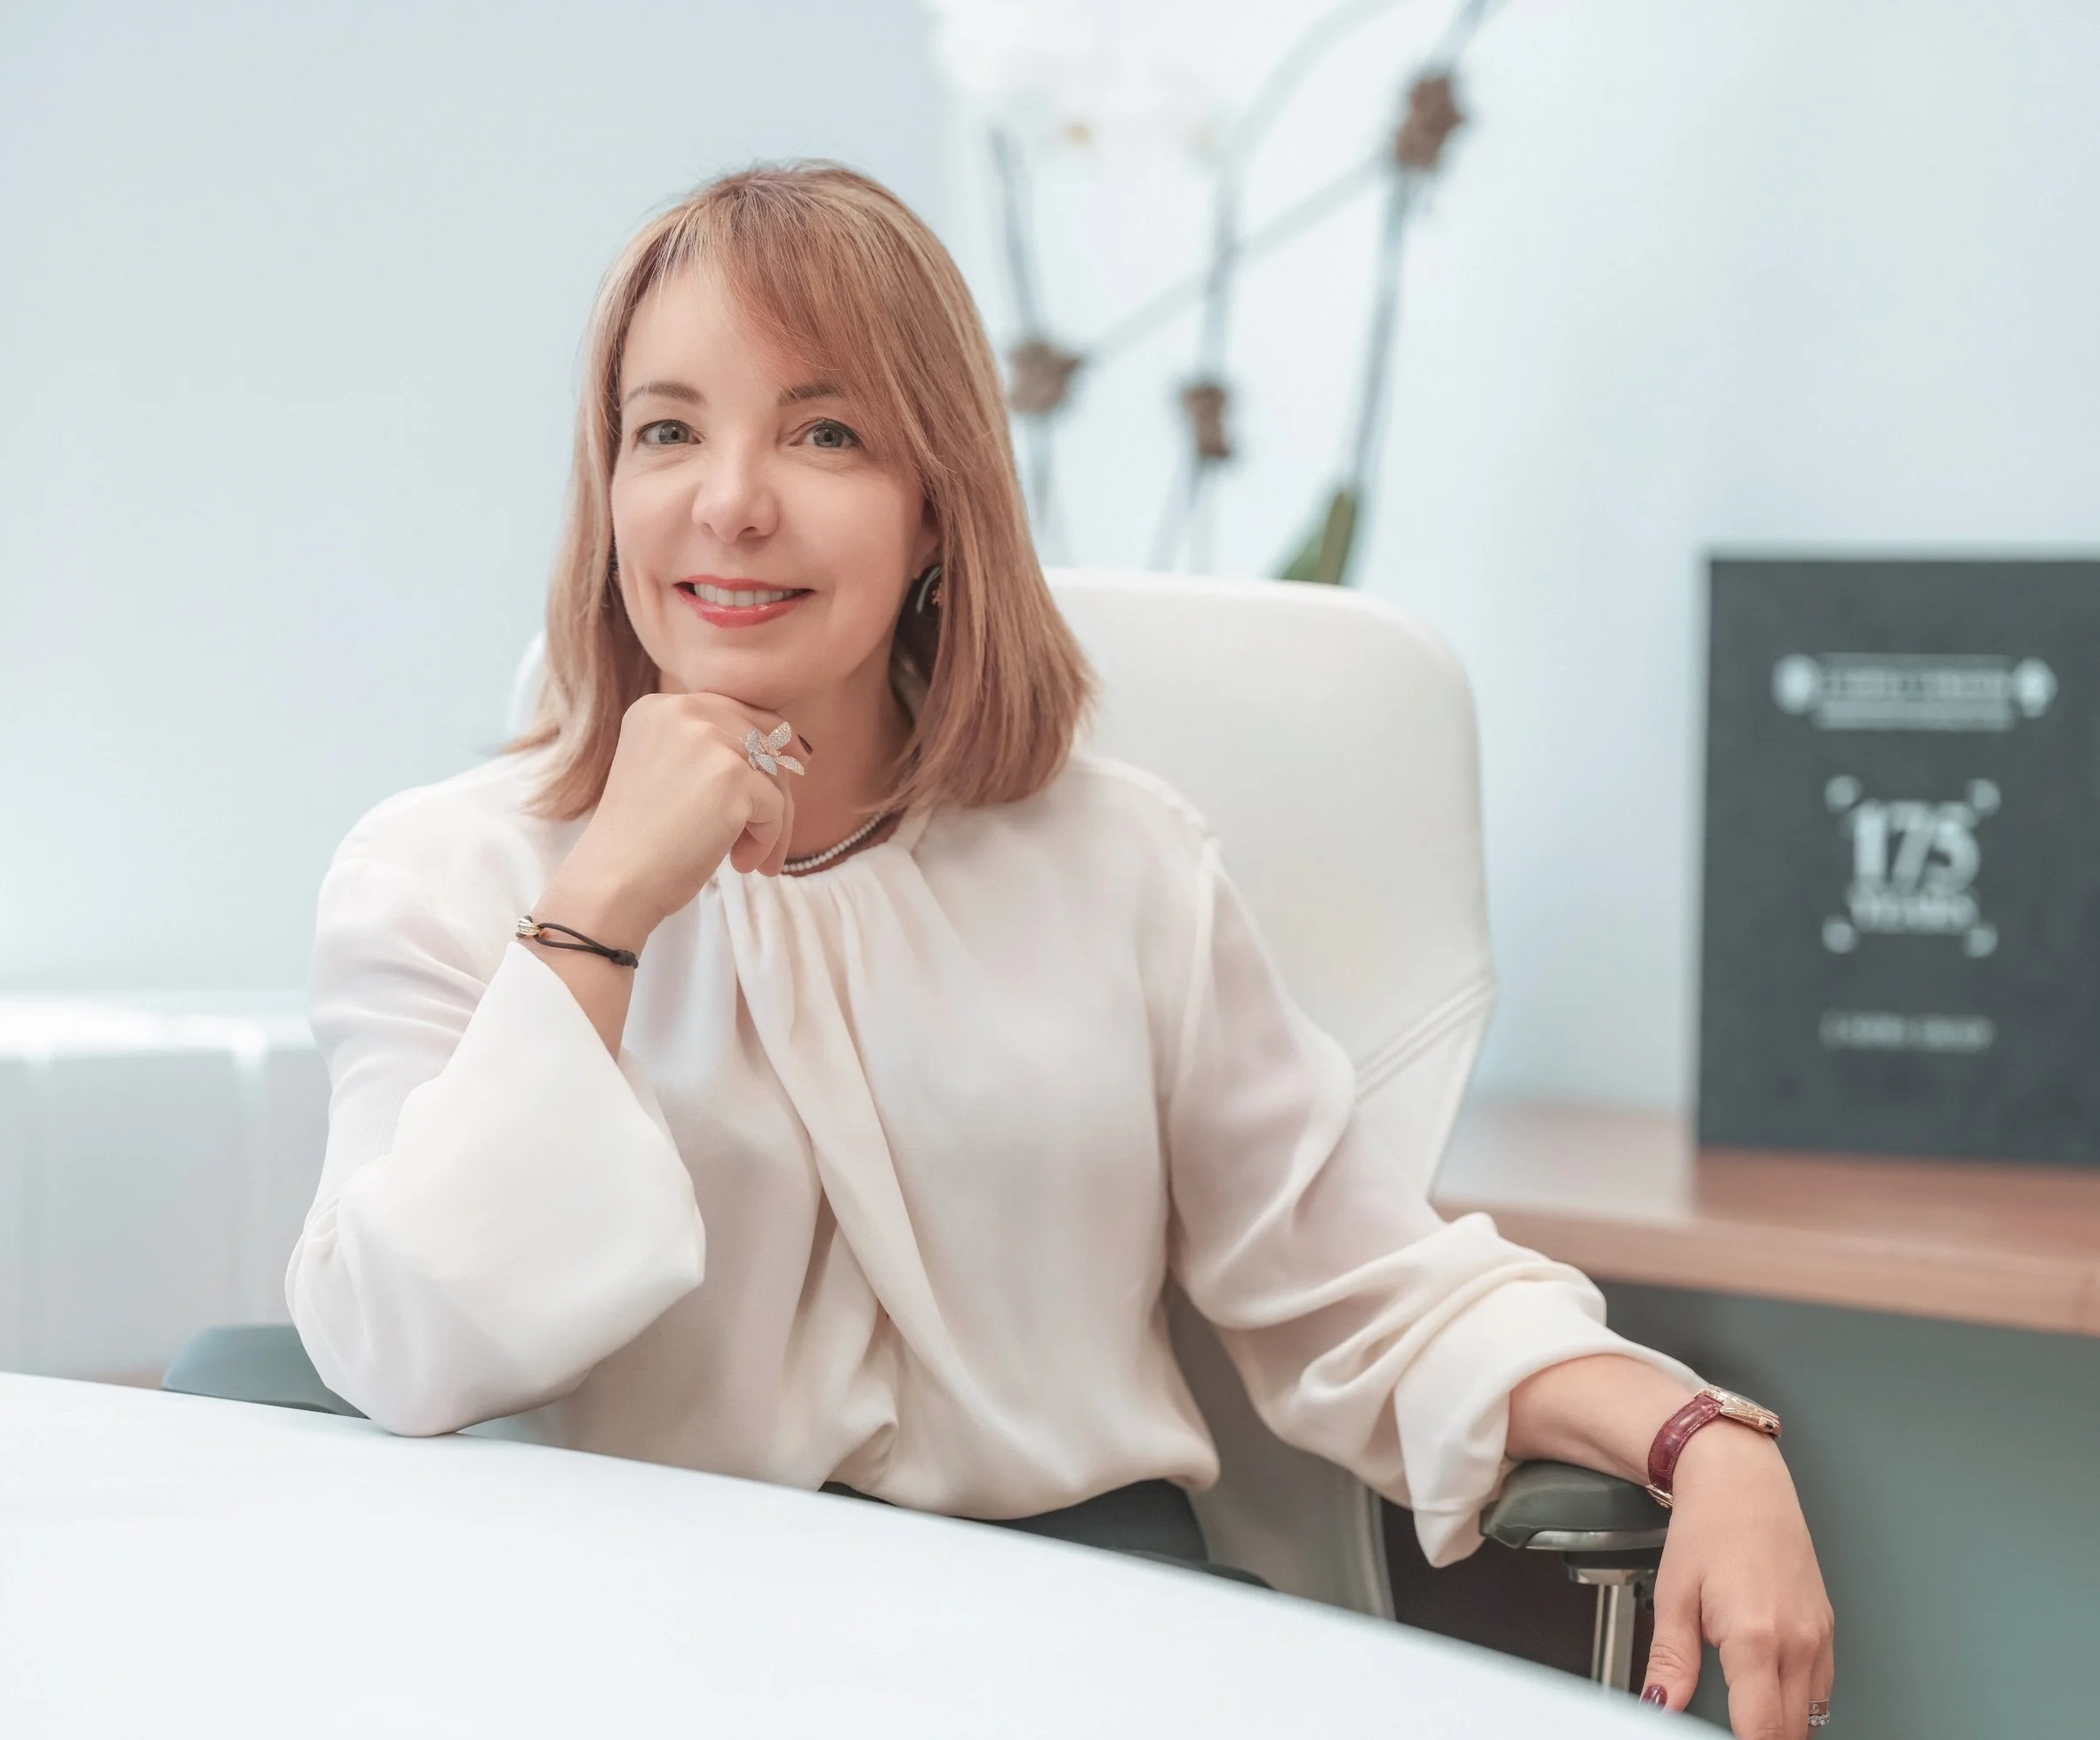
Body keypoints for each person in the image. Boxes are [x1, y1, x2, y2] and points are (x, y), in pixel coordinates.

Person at [288, 161, 1832, 1733]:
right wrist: (604, 905)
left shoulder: (1119, 861)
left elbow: (1357, 1285)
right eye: (667, 429)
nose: (731, 498)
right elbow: (410, 1344)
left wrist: (1706, 1436)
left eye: (824, 432)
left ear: (937, 503)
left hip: (1079, 1652)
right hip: (642, 1659)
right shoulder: (446, 874)